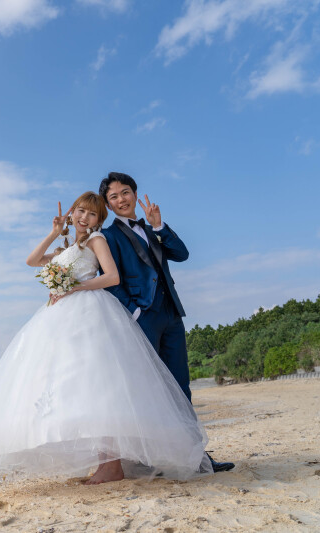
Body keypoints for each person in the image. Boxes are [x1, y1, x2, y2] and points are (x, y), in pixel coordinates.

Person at [0, 192, 212, 484]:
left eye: (92, 214)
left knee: (98, 388)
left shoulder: (96, 241)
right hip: (60, 319)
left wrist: (75, 288)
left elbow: (112, 277)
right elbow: (32, 260)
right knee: (76, 389)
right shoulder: (68, 245)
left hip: (89, 313)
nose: (84, 218)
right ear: (72, 214)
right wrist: (55, 232)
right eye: (80, 211)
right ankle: (104, 464)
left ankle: (111, 466)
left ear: (99, 220)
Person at [98, 172, 234, 473]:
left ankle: (197, 457)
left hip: (171, 314)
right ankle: (150, 457)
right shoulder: (108, 237)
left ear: (135, 193)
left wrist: (158, 225)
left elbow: (182, 254)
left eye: (125, 192)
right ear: (108, 205)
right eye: (114, 197)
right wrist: (134, 311)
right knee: (147, 389)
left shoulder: (153, 227)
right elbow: (108, 280)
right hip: (142, 319)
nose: (121, 199)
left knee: (180, 387)